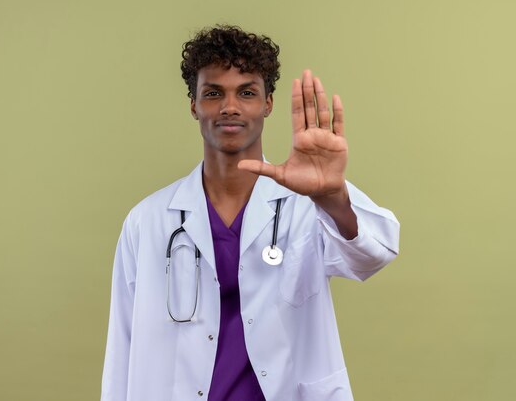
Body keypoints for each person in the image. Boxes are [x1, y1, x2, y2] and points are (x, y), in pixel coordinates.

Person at [100, 25, 400, 401]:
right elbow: (121, 346)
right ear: (193, 105)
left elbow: (376, 253)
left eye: (246, 92)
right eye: (213, 93)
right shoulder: (147, 221)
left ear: (268, 103)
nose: (230, 106)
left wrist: (333, 195)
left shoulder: (308, 203)